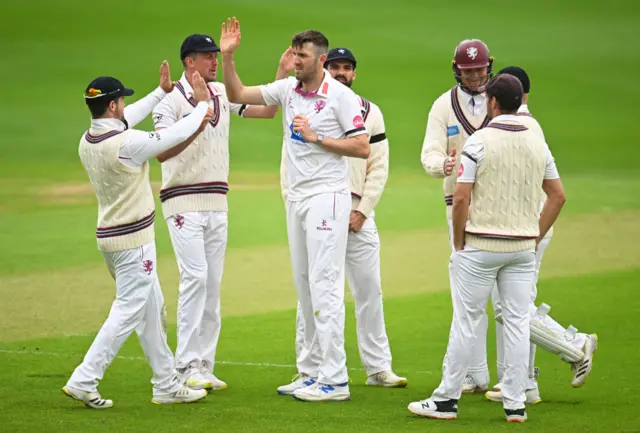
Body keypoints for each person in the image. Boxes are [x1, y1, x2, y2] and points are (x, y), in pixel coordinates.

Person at [220, 17, 370, 402]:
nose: (296, 61)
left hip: (328, 196)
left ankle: (335, 380)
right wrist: (228, 57)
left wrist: (316, 137)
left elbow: (361, 146)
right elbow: (237, 95)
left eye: (302, 56)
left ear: (320, 60)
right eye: (295, 54)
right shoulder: (288, 89)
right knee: (304, 287)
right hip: (298, 197)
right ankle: (311, 372)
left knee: (324, 286)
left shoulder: (340, 96)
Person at [408, 74, 565, 423]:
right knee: (516, 322)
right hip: (522, 248)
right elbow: (558, 195)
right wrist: (534, 235)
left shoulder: (478, 141)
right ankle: (515, 402)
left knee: (466, 321)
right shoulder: (538, 142)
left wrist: (460, 239)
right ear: (519, 101)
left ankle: (446, 400)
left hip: (481, 244)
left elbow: (461, 195)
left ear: (493, 103)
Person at [63, 62, 213, 408]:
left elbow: (129, 119)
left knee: (151, 311)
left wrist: (161, 92)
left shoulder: (88, 140)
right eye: (122, 103)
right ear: (114, 105)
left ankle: (166, 384)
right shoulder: (126, 143)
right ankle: (85, 378)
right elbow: (172, 136)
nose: (125, 108)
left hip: (110, 239)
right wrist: (202, 105)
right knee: (129, 309)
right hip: (134, 243)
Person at [152, 34, 292, 391]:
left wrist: (281, 71)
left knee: (212, 286)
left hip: (217, 201)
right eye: (207, 57)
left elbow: (268, 110)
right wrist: (199, 115)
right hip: (182, 200)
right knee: (195, 278)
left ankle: (204, 364)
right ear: (189, 61)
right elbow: (163, 152)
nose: (214, 62)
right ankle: (184, 366)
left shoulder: (220, 93)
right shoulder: (169, 100)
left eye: (217, 56)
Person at [280, 47, 407, 388]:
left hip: (357, 213)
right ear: (324, 66)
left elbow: (378, 165)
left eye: (346, 68)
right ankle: (311, 369)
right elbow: (290, 162)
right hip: (318, 209)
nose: (340, 72)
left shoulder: (369, 111)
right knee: (313, 289)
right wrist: (293, 205)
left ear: (354, 73)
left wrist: (363, 210)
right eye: (334, 66)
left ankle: (378, 368)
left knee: (369, 288)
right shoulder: (305, 104)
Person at [484, 66, 598, 404]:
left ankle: (574, 347)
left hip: (526, 227)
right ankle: (525, 384)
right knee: (516, 306)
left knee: (511, 309)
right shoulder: (522, 124)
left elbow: (553, 190)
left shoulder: (525, 127)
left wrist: (534, 235)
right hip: (522, 227)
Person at [419, 38, 493, 394]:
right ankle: (475, 373)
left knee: (508, 298)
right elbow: (428, 154)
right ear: (456, 69)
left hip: (498, 206)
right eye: (468, 70)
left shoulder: (502, 99)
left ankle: (527, 373)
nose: (475, 76)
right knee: (467, 296)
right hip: (457, 206)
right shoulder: (442, 105)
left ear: (489, 65)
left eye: (480, 69)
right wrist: (442, 165)